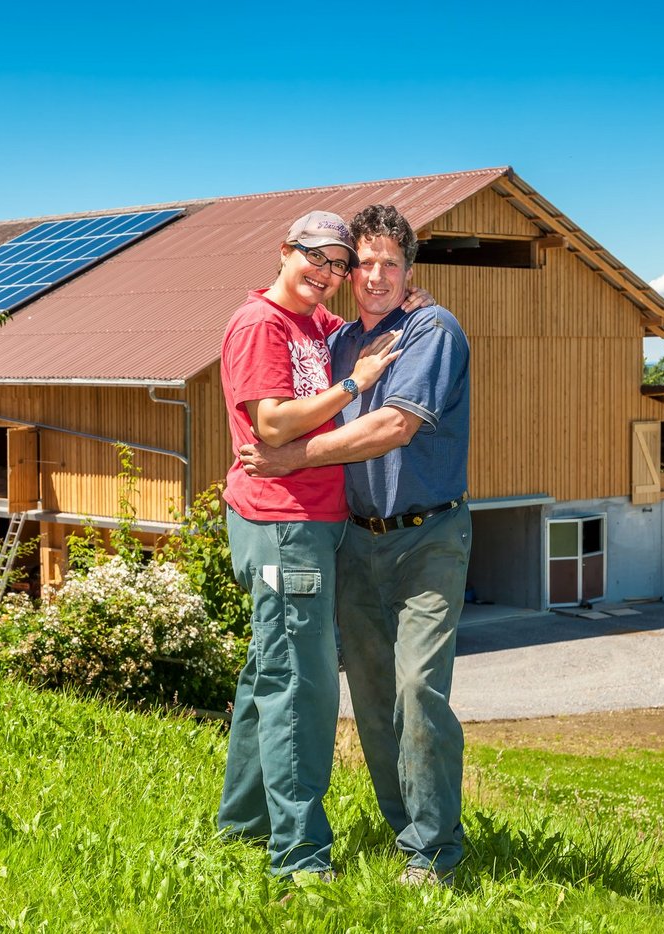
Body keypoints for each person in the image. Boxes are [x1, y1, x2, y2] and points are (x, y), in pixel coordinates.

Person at [239, 204, 471, 886]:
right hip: (355, 542)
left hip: (427, 538)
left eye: (389, 265)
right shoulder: (340, 343)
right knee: (372, 701)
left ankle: (435, 854)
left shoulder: (432, 328)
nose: (373, 276)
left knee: (419, 690)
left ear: (410, 272)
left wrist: (293, 458)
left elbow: (393, 427)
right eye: (362, 263)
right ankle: (408, 833)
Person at [216, 210, 403, 880]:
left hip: (311, 522)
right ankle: (298, 856)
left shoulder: (314, 324)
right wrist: (354, 384)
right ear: (284, 251)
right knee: (302, 683)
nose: (327, 275)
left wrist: (404, 294)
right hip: (280, 523)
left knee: (270, 671)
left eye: (338, 264)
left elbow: (372, 321)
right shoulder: (260, 323)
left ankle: (240, 825)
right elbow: (270, 423)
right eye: (316, 258)